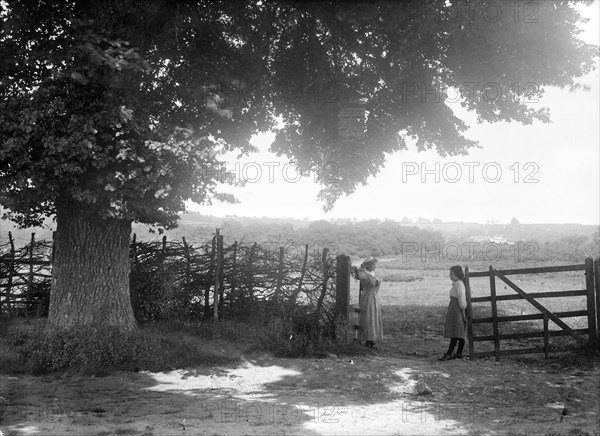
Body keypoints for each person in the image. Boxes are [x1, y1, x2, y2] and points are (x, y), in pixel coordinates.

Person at [351, 256, 383, 349]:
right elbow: (357, 275)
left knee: (373, 317)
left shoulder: (372, 273)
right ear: (369, 265)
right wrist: (357, 269)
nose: (375, 266)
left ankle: (371, 339)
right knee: (369, 317)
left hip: (374, 297)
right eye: (374, 265)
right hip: (368, 297)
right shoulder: (364, 273)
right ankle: (368, 339)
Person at [439, 265, 468, 361]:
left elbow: (462, 300)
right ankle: (457, 353)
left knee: (458, 330)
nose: (450, 275)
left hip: (457, 309)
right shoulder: (455, 283)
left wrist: (463, 313)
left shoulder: (460, 284)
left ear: (457, 275)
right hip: (453, 308)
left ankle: (451, 353)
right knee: (457, 330)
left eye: (451, 274)